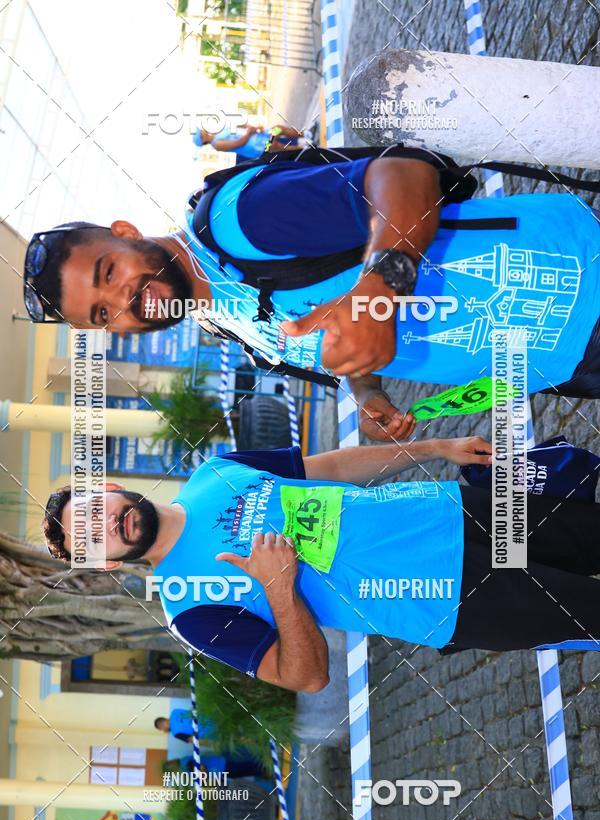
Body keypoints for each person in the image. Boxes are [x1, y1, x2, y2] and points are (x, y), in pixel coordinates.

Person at [23, 148, 600, 441]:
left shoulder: (239, 221)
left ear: (124, 234)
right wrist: (367, 390)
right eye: (103, 313)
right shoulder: (221, 322)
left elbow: (402, 176)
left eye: (106, 271)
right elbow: (335, 334)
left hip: (574, 275)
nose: (124, 298)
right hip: (550, 359)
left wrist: (382, 285)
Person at [42, 438, 600, 691]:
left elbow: (329, 465)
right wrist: (280, 590)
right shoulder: (190, 610)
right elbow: (305, 677)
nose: (106, 526)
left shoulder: (216, 472)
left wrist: (434, 449)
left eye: (95, 511)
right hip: (451, 602)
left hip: (452, 511)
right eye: (92, 540)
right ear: (109, 566)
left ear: (109, 488)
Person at [193, 123, 303, 159]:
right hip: (257, 147)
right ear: (203, 140)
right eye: (200, 133)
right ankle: (305, 149)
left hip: (257, 136)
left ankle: (305, 134)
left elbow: (239, 127)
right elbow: (238, 143)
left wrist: (251, 127)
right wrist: (249, 133)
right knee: (277, 145)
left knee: (279, 128)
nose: (203, 130)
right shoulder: (217, 145)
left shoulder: (217, 132)